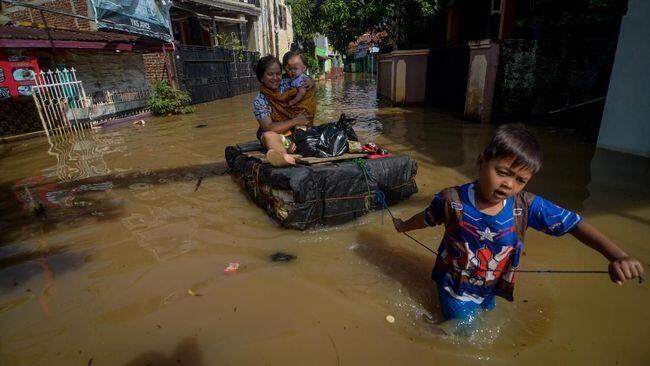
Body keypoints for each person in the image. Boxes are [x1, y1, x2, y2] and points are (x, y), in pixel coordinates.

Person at [392, 124, 644, 321]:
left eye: (520, 180)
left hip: (493, 287)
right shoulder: (452, 200)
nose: (509, 184)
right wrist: (403, 226)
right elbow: (426, 219)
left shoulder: (526, 207)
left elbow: (574, 224)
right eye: (502, 172)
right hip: (454, 288)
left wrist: (617, 255)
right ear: (481, 163)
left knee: (486, 314)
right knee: (462, 332)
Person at [252, 55, 308, 166]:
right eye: (270, 74)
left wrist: (308, 83)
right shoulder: (259, 100)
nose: (275, 78)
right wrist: (295, 121)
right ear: (261, 77)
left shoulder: (288, 84)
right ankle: (283, 156)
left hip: (294, 131)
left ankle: (290, 149)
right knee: (268, 135)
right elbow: (268, 127)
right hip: (276, 135)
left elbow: (305, 83)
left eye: (278, 74)